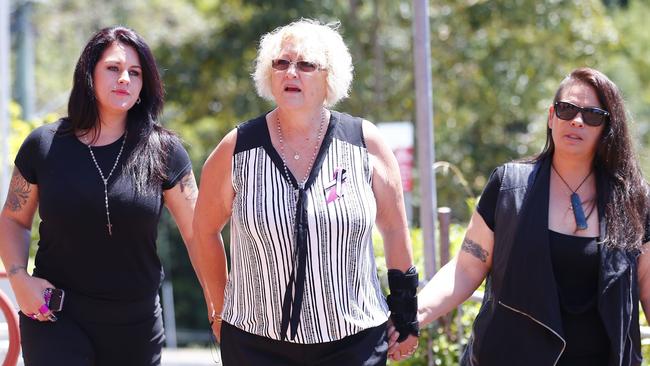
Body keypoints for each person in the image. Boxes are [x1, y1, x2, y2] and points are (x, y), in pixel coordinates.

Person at [193, 19, 418, 365]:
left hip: (354, 341)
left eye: (306, 64)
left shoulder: (364, 142)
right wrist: (218, 309)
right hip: (256, 344)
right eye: (281, 63)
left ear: (330, 76)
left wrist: (405, 315)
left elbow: (393, 227)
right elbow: (205, 230)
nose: (290, 73)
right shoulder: (237, 148)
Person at [390, 67, 650, 365]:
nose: (577, 120)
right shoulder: (508, 187)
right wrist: (412, 315)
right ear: (552, 116)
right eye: (567, 109)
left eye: (592, 114)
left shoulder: (636, 202)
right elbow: (466, 268)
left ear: (607, 127)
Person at [0, 26, 198, 366]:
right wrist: (19, 277)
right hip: (55, 314)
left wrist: (219, 304)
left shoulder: (165, 151)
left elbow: (199, 233)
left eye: (135, 73)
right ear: (88, 73)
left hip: (136, 324)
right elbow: (13, 219)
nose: (124, 79)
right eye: (113, 68)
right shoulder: (44, 145)